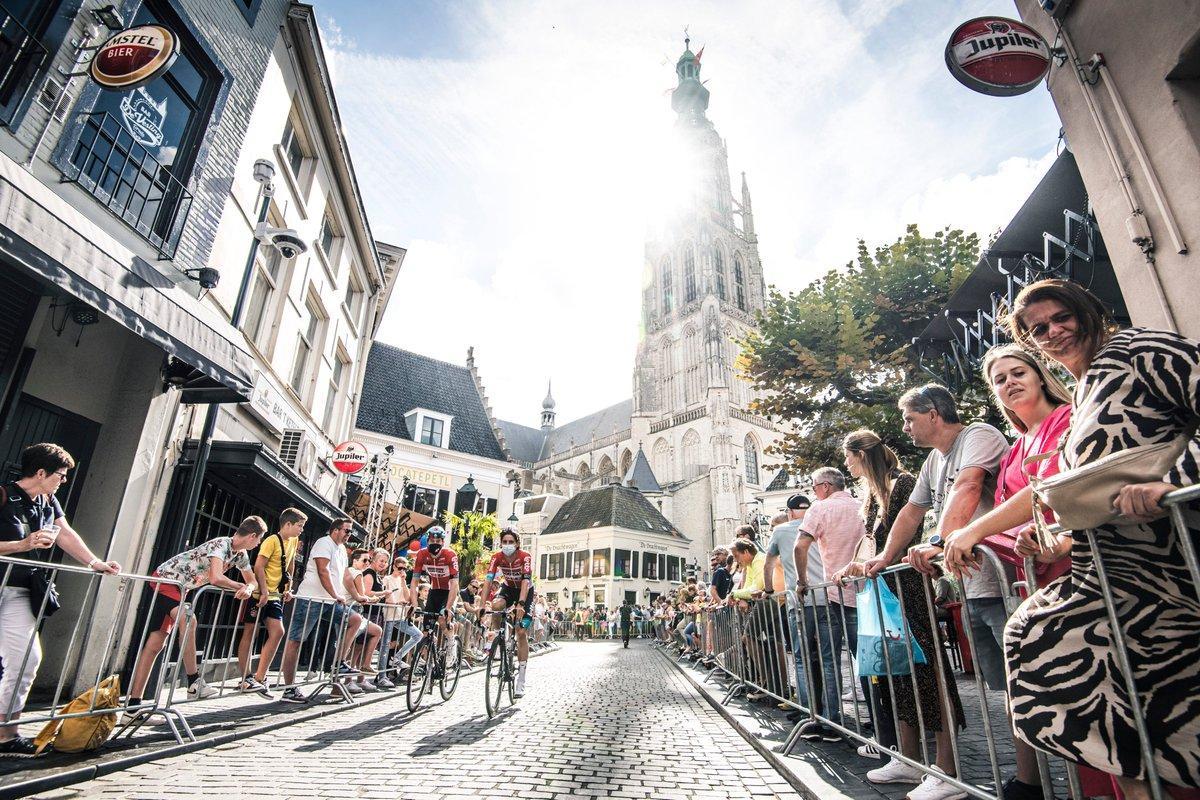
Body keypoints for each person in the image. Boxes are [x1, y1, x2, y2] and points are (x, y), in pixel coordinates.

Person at [1001, 279, 1200, 800]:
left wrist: (1176, 481)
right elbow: (1096, 491)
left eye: (1061, 317)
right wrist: (1058, 542)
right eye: (1037, 328)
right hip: (1114, 575)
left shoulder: (1140, 349)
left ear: (1087, 311)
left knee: (1163, 710)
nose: (1053, 332)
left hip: (1166, 570)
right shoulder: (1084, 389)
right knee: (1119, 708)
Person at [918, 346, 1076, 800]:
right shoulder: (1016, 448)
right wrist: (977, 540)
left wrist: (964, 536)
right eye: (999, 379)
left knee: (1066, 690)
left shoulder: (1066, 420)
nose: (1009, 383)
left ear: (1042, 375)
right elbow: (1009, 507)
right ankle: (1031, 782)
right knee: (1017, 688)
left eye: (1018, 372)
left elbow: (1046, 491)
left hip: (1071, 573)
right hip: (1028, 579)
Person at [857, 385, 1007, 800]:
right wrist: (886, 557)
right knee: (1004, 689)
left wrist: (940, 541)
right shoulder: (932, 462)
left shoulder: (977, 436)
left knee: (1014, 687)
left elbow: (969, 487)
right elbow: (911, 513)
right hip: (972, 581)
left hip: (1003, 577)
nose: (904, 427)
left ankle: (1019, 781)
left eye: (908, 418)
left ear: (934, 414)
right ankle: (1005, 780)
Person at [838, 430, 966, 780]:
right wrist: (857, 565)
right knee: (897, 675)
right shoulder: (872, 495)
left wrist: (872, 562)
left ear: (862, 455)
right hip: (886, 589)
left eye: (849, 457)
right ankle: (908, 759)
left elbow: (901, 538)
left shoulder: (904, 484)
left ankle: (945, 766)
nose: (846, 463)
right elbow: (873, 546)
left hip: (908, 588)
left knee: (929, 670)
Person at [0, 443, 121, 756]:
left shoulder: (48, 501)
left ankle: (6, 733)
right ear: (41, 472)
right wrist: (21, 545)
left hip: (18, 590)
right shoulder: (3, 495)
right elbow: (19, 544)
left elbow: (65, 534)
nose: (64, 480)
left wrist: (96, 563)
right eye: (61, 475)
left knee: (27, 658)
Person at [126, 517, 265, 719]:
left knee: (156, 644)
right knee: (189, 622)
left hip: (181, 589)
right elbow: (216, 577)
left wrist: (249, 587)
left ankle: (132, 707)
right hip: (165, 581)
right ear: (252, 536)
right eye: (259, 539)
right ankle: (193, 682)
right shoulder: (221, 544)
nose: (258, 544)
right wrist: (239, 587)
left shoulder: (240, 554)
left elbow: (251, 580)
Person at [793, 467, 868, 742]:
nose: (814, 492)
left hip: (837, 594)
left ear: (824, 487)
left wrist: (802, 582)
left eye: (814, 487)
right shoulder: (861, 504)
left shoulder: (820, 508)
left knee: (830, 659)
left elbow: (800, 547)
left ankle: (832, 722)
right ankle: (882, 727)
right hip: (867, 591)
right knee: (868, 661)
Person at [279, 518, 366, 704]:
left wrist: (358, 596)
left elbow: (345, 577)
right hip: (311, 599)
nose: (349, 535)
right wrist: (336, 595)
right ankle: (289, 688)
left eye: (351, 532)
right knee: (295, 641)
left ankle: (338, 663)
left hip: (329, 601)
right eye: (347, 531)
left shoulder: (342, 550)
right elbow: (323, 571)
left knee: (355, 620)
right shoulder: (323, 543)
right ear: (335, 530)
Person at [236, 507, 306, 698]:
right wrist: (264, 590)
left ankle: (260, 677)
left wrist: (288, 587)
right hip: (258, 593)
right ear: (288, 524)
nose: (301, 529)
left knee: (278, 631)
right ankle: (246, 677)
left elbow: (290, 564)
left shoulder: (294, 541)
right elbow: (259, 566)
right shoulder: (270, 541)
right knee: (249, 632)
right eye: (299, 526)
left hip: (275, 594)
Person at [484, 529, 534, 697]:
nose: (507, 545)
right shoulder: (497, 557)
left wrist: (520, 604)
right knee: (496, 605)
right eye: (504, 542)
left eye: (510, 542)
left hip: (525, 591)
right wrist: (482, 605)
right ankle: (499, 638)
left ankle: (521, 677)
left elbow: (526, 581)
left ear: (517, 543)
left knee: (520, 632)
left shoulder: (525, 556)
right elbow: (488, 580)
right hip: (508, 588)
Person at [409, 525, 461, 668]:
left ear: (443, 542)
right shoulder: (421, 554)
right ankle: (430, 661)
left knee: (443, 618)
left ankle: (451, 643)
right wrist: (414, 604)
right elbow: (414, 582)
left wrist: (449, 608)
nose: (435, 543)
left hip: (449, 592)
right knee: (426, 631)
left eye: (438, 541)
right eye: (432, 540)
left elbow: (455, 584)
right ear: (428, 541)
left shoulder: (450, 555)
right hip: (434, 591)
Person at [344, 548, 388, 692]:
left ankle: (360, 677)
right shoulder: (367, 573)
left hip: (369, 612)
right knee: (356, 647)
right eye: (381, 560)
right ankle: (349, 679)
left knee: (360, 646)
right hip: (365, 612)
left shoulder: (374, 574)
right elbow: (365, 593)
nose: (383, 564)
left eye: (386, 562)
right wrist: (381, 594)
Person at [379, 556, 422, 678]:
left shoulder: (402, 580)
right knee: (386, 645)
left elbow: (408, 598)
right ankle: (382, 676)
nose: (402, 570)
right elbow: (386, 595)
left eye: (404, 568)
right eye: (400, 568)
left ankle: (397, 657)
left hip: (400, 616)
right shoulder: (387, 578)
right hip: (389, 616)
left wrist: (403, 581)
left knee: (417, 634)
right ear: (394, 567)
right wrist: (396, 603)